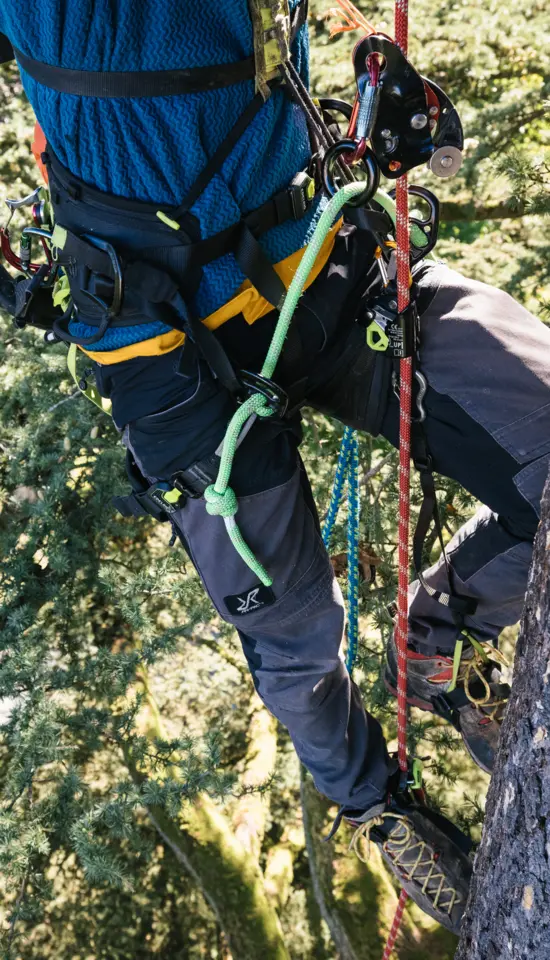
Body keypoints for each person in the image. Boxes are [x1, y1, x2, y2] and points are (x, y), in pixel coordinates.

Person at [1, 0, 548, 932]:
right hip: (159, 346)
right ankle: (378, 803)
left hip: (315, 254)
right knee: (293, 637)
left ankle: (440, 627)